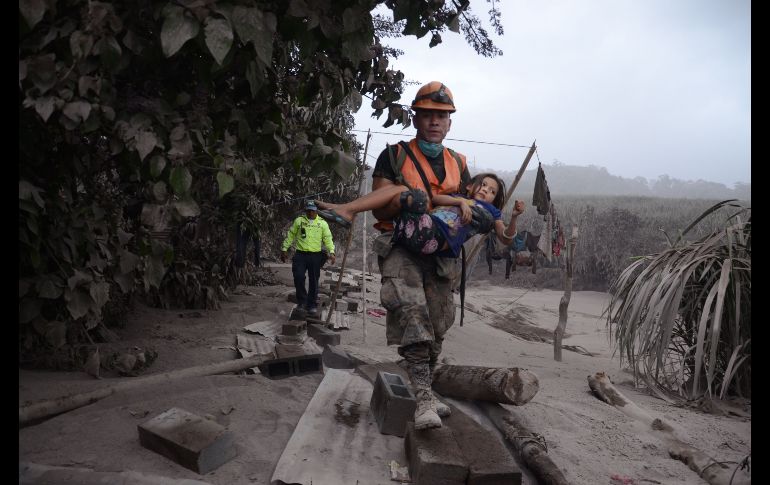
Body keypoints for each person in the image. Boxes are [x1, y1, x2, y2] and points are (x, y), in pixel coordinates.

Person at [330, 81, 522, 430]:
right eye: (428, 114)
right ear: (415, 118)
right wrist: (408, 202)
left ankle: (425, 388)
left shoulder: (459, 163)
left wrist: (481, 218)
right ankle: (422, 399)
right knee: (412, 315)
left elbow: (471, 207)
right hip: (402, 245)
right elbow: (381, 208)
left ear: (450, 123)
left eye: (442, 116)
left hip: (442, 254)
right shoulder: (395, 155)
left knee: (438, 322)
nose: (435, 121)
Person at [316, 173, 525, 258]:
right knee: (403, 191)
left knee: (411, 195)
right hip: (419, 227)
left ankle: (347, 209)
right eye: (484, 185)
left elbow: (506, 238)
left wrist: (514, 217)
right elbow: (437, 199)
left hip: (435, 238)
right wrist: (460, 201)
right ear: (470, 186)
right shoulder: (458, 197)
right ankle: (346, 208)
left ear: (494, 200)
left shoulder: (491, 211)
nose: (486, 190)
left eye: (492, 191)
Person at [280, 200, 336, 318]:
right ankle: (302, 302)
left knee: (314, 280)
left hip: (315, 256)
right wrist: (284, 248)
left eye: (313, 211)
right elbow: (291, 235)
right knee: (298, 277)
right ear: (306, 210)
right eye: (308, 210)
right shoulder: (299, 221)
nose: (310, 213)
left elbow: (328, 238)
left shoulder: (322, 224)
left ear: (316, 211)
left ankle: (311, 305)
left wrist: (332, 252)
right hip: (300, 255)